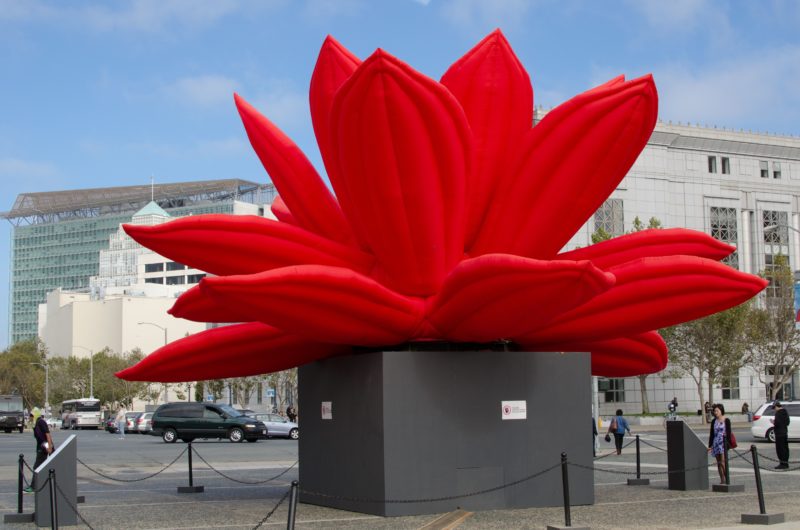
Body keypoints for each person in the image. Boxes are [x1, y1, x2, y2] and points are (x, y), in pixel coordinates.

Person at [24, 410, 54, 493]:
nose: (29, 417)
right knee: (41, 466)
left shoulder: (41, 422)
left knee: (36, 467)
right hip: (41, 447)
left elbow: (47, 434)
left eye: (31, 415)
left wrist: (50, 447)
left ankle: (33, 486)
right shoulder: (36, 423)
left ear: (35, 415)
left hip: (45, 446)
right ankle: (40, 485)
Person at [707, 403, 733, 484]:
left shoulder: (726, 420)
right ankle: (722, 479)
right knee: (718, 463)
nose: (715, 412)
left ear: (721, 411)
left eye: (717, 411)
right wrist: (710, 446)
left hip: (723, 443)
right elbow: (711, 434)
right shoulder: (714, 421)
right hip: (716, 443)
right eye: (714, 411)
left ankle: (727, 478)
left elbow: (729, 433)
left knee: (722, 462)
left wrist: (728, 444)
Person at [771, 400, 790, 469]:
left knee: (780, 449)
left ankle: (782, 464)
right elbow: (787, 422)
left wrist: (773, 422)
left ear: (776, 406)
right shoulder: (785, 412)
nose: (774, 410)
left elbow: (777, 423)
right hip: (784, 433)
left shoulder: (778, 413)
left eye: (774, 408)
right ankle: (786, 463)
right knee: (785, 448)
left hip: (779, 433)